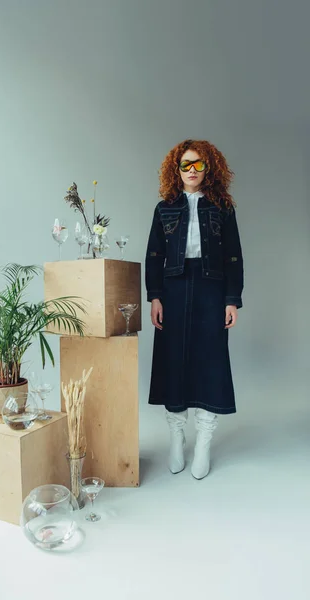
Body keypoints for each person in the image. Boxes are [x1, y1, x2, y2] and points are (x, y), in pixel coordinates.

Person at [145, 139, 244, 480]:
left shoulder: (222, 208)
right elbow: (154, 255)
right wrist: (155, 296)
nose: (191, 171)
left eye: (198, 165)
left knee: (210, 360)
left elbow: (234, 255)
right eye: (185, 165)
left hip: (211, 287)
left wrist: (232, 299)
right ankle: (177, 436)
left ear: (208, 168)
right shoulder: (164, 208)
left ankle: (203, 441)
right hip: (172, 288)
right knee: (173, 359)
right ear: (177, 169)